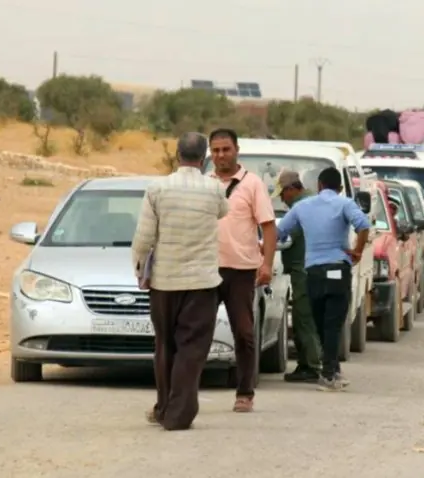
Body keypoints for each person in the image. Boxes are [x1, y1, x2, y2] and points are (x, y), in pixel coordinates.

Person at [131, 132, 229, 431]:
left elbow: (144, 237)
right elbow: (223, 212)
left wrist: (139, 270)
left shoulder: (157, 188)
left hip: (164, 282)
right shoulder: (215, 189)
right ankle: (178, 414)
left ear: (177, 155)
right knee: (192, 348)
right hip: (201, 283)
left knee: (165, 345)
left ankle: (164, 406)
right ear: (204, 158)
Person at [276, 167, 371, 391]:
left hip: (314, 273)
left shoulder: (302, 206)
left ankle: (331, 370)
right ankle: (329, 373)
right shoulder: (345, 203)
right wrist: (357, 251)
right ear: (339, 188)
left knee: (319, 323)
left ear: (319, 185)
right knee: (333, 323)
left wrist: (262, 249)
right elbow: (364, 226)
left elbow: (279, 232)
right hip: (338, 270)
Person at [209, 128, 277, 413]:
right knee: (197, 333)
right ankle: (185, 390)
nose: (221, 155)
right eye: (215, 150)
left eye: (226, 149)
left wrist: (267, 264)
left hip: (240, 271)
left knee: (244, 333)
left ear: (237, 150)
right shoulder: (204, 183)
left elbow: (268, 226)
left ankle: (245, 392)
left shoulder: (253, 184)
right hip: (207, 270)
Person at [276, 171, 323, 383]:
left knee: (304, 318)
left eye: (282, 194)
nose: (281, 200)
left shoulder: (299, 208)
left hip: (303, 269)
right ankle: (308, 363)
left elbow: (284, 238)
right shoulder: (313, 201)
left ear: (291, 189)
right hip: (315, 268)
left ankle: (311, 366)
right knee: (309, 316)